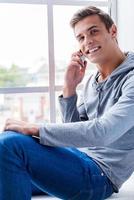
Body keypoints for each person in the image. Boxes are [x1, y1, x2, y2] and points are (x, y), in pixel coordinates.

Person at [0, 6, 134, 200]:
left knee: (9, 145)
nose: (87, 41)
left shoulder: (131, 79)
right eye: (81, 37)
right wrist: (69, 89)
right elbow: (74, 132)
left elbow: (104, 132)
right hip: (77, 160)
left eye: (93, 31)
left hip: (101, 176)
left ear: (112, 31)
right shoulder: (92, 82)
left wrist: (35, 128)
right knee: (5, 151)